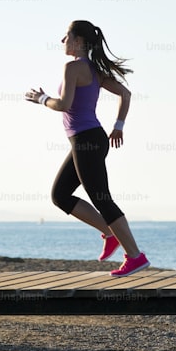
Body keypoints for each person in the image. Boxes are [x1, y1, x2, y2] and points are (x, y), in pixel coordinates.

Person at [25, 20, 149, 277]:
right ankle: (109, 232)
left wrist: (41, 99)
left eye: (66, 36)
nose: (62, 41)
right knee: (60, 195)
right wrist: (118, 126)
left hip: (86, 141)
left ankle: (135, 257)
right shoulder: (93, 69)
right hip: (87, 139)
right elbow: (125, 94)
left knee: (102, 198)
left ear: (78, 41)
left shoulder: (72, 67)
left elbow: (63, 104)